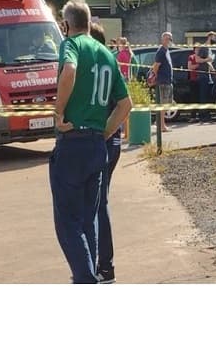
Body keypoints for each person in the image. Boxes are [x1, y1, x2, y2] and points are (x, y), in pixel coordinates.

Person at [52, 0, 131, 283]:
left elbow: (69, 71)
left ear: (66, 24)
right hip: (98, 143)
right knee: (89, 218)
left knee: (67, 222)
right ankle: (90, 273)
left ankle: (85, 279)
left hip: (73, 140)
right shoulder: (107, 53)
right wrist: (107, 131)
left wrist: (59, 111)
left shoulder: (71, 45)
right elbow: (126, 104)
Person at [89, 22, 122, 283]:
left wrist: (103, 135)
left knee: (98, 206)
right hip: (111, 144)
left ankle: (104, 267)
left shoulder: (99, 66)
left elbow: (124, 105)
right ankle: (100, 265)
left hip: (103, 144)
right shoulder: (109, 64)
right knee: (98, 204)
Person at [149, 31, 174, 133]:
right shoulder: (161, 51)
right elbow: (156, 66)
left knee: (166, 104)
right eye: (167, 39)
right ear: (163, 40)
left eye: (170, 39)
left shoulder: (166, 51)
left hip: (167, 81)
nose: (169, 41)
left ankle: (160, 124)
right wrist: (154, 77)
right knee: (163, 105)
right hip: (162, 81)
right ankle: (161, 126)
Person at [196, 31, 216, 122]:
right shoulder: (203, 47)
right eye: (214, 38)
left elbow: (208, 62)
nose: (215, 40)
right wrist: (207, 59)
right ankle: (203, 116)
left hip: (208, 75)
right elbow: (197, 59)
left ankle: (207, 114)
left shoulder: (209, 49)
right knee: (203, 96)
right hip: (203, 75)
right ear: (210, 37)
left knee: (207, 96)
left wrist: (213, 70)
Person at [187, 45, 202, 123]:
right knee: (193, 99)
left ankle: (200, 116)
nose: (198, 50)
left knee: (200, 98)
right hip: (193, 80)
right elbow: (189, 67)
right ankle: (193, 116)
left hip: (201, 80)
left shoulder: (202, 57)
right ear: (194, 50)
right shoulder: (191, 57)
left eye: (199, 49)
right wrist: (198, 65)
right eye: (197, 49)